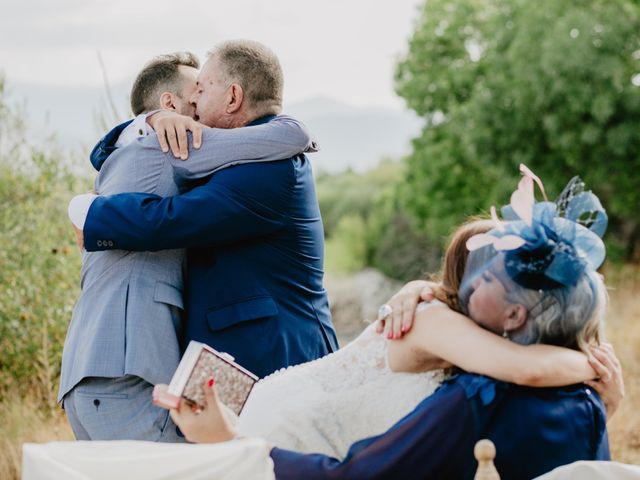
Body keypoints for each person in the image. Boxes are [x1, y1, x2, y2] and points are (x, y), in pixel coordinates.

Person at [165, 167, 620, 479]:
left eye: (490, 273)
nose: (471, 284)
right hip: (293, 430)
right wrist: (589, 369)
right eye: (477, 271)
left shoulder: (484, 380)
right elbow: (530, 373)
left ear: (516, 315)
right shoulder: (438, 323)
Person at [60, 50, 319, 442]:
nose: (196, 100)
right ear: (169, 104)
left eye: (204, 87)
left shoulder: (266, 166)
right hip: (129, 369)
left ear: (232, 97)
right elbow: (289, 135)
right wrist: (87, 209)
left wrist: (89, 211)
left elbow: (175, 218)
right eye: (192, 90)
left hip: (265, 362)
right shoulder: (173, 146)